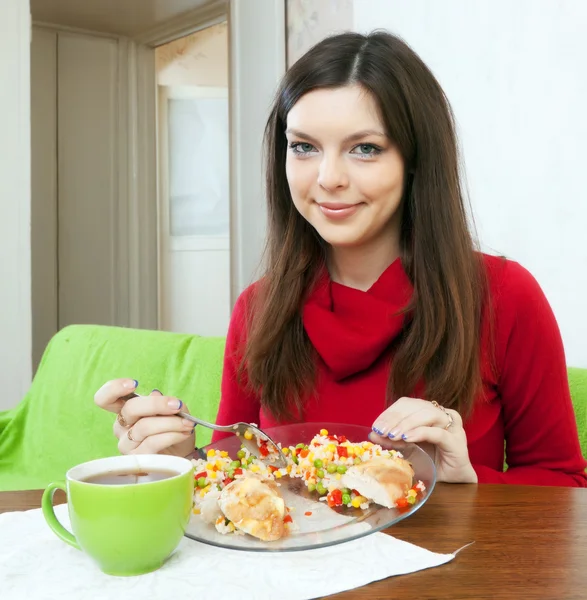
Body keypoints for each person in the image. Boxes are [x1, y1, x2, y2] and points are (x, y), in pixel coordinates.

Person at [95, 31, 587, 487]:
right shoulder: (258, 308)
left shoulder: (505, 295)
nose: (328, 177)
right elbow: (239, 475)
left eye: (365, 148)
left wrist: (467, 483)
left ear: (415, 160)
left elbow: (565, 485)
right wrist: (181, 459)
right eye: (304, 147)